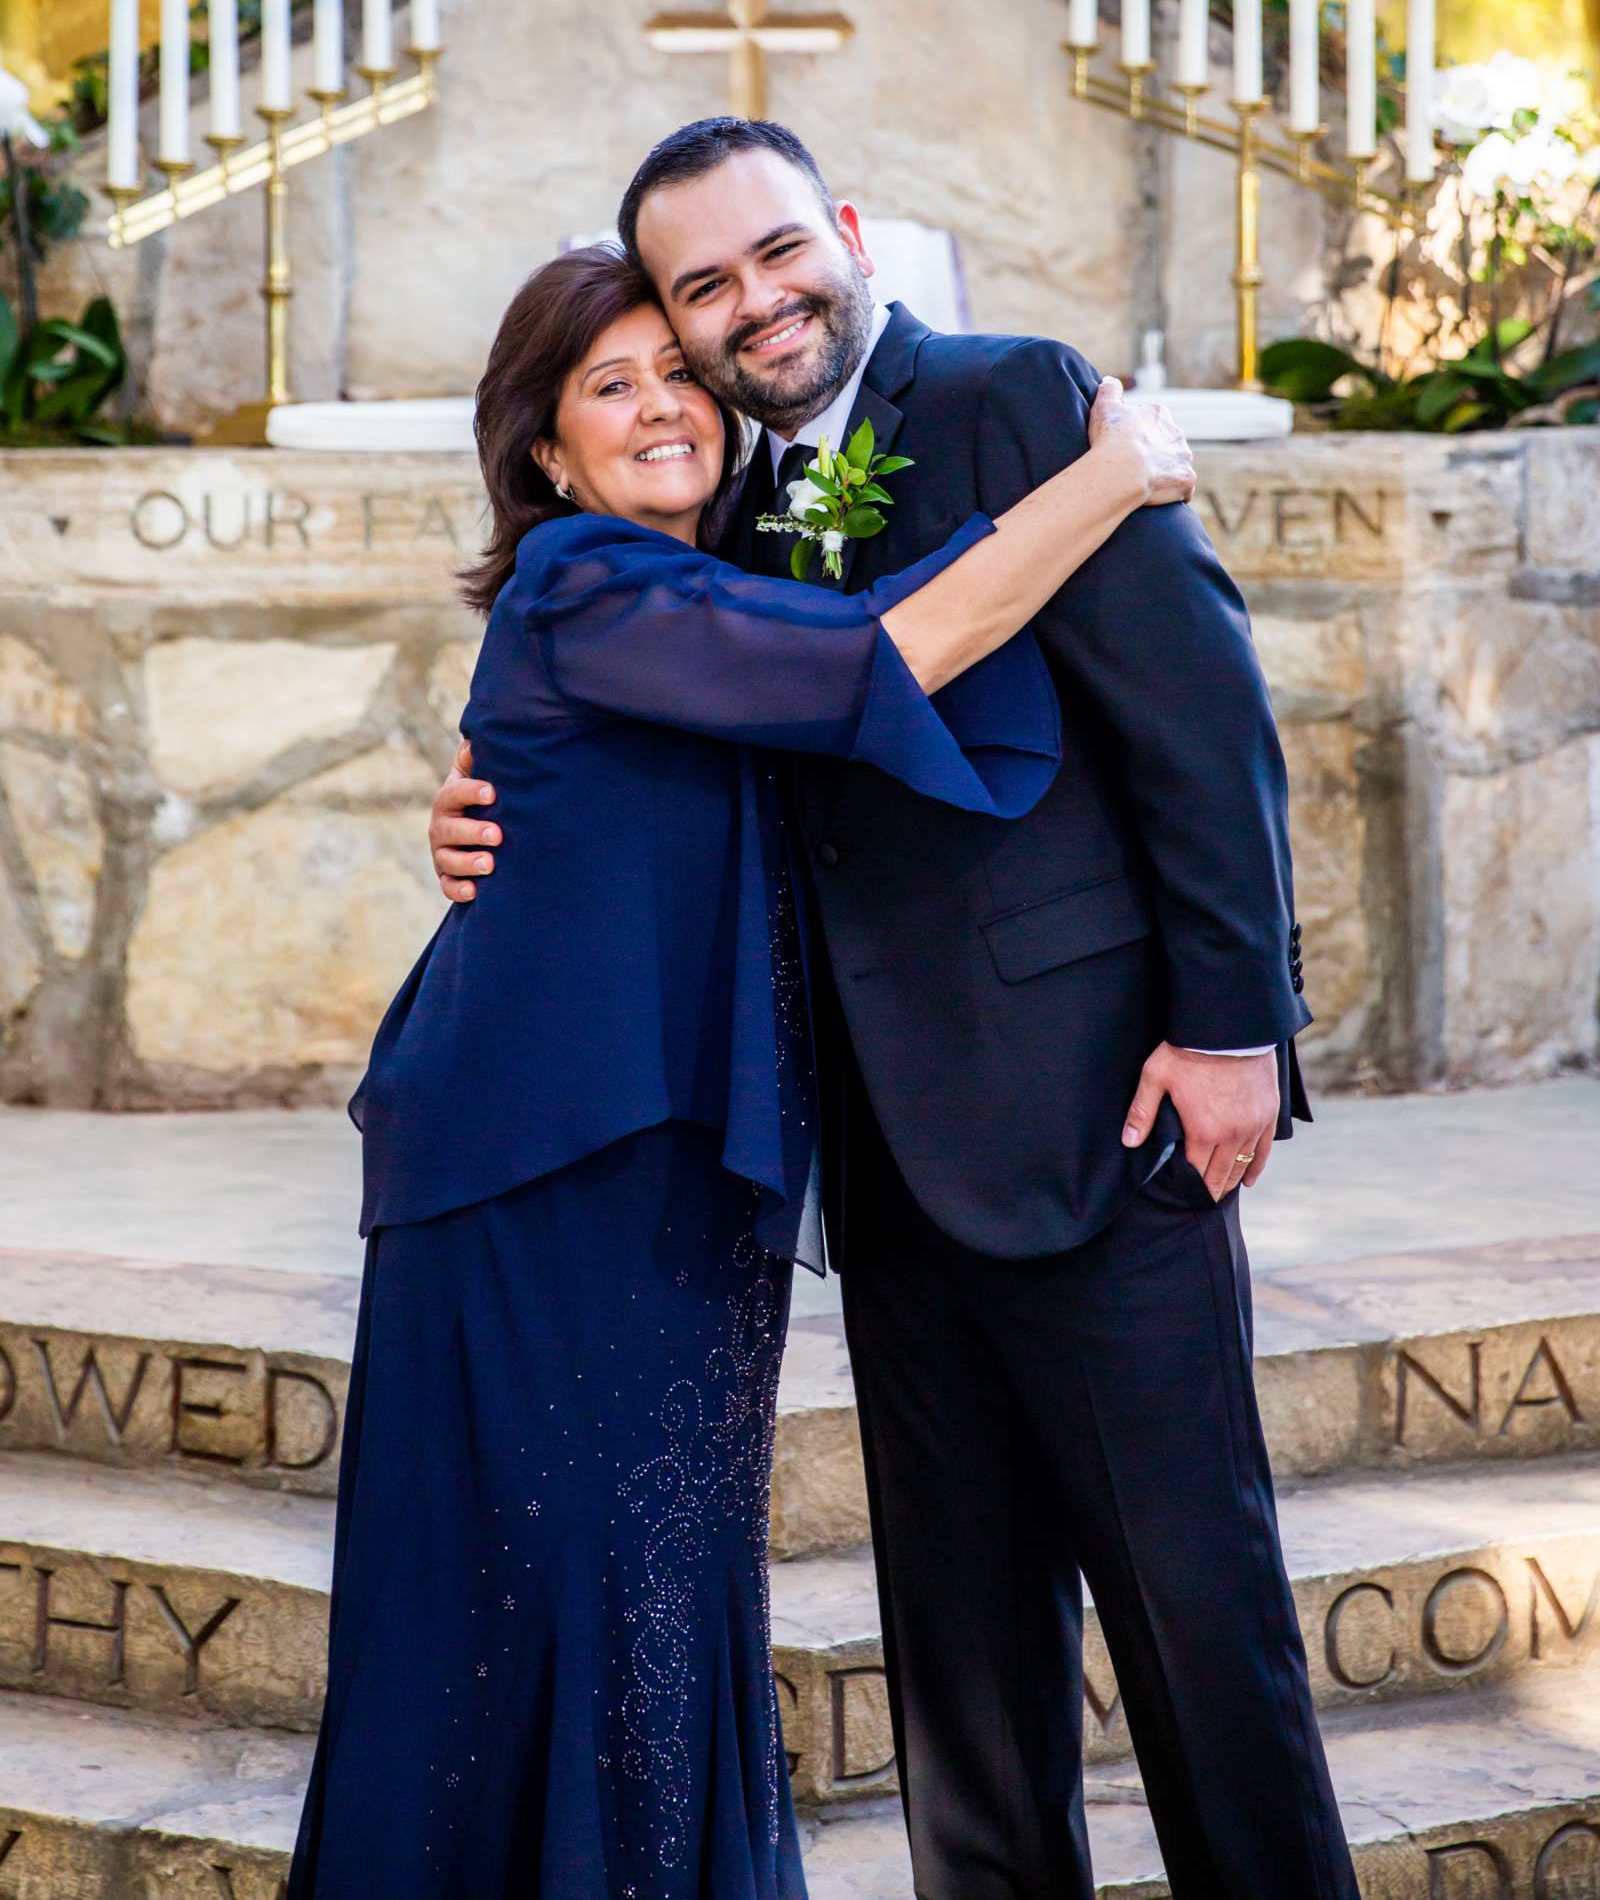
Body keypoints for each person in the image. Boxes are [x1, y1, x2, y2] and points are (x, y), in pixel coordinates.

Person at [433, 120, 1361, 1900]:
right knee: (965, 1671)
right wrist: (481, 809)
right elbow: (668, 731)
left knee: (1198, 1629)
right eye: (703, 287)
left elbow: (1201, 719)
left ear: (846, 234)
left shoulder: (1024, 403)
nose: (754, 304)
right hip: (882, 1153)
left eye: (777, 254)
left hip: (1107, 1119)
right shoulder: (726, 500)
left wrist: (1237, 1025)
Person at [290, 239, 1194, 1900]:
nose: (657, 407)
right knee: (564, 1583)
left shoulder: (715, 600)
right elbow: (881, 664)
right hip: (544, 1165)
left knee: (662, 1581)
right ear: (546, 453)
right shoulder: (586, 582)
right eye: (606, 386)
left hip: (682, 1166)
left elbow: (825, 692)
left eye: (675, 375)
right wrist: (1109, 474)